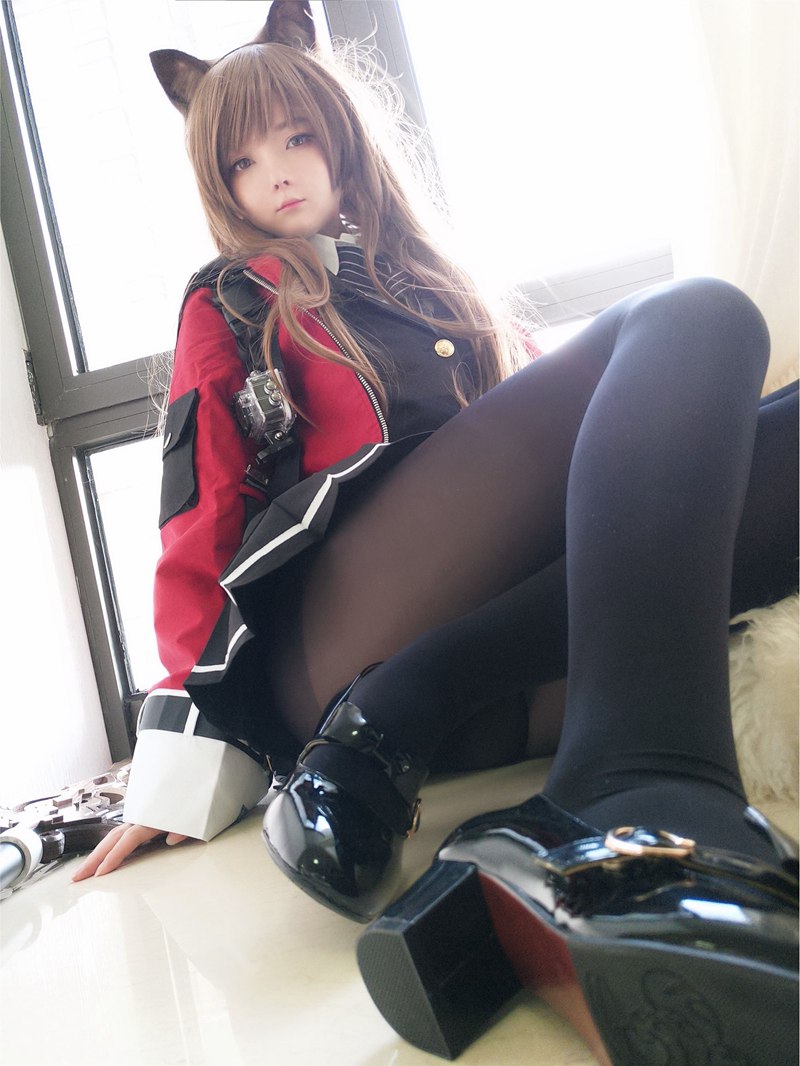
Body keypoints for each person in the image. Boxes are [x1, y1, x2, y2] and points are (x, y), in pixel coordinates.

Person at [73, 3, 798, 1062]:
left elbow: (599, 466)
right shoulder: (232, 297)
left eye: (296, 136)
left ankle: (474, 744)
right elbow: (198, 517)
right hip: (335, 639)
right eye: (241, 162)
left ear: (340, 132)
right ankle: (643, 780)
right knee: (698, 315)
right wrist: (175, 771)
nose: (276, 172)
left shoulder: (429, 281)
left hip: (476, 696)